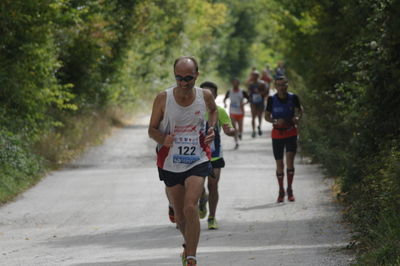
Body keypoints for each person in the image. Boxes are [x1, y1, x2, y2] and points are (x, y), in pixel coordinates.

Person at [148, 56, 217, 266]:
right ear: (174, 75)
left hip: (197, 158)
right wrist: (163, 139)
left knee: (190, 206)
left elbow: (213, 110)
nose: (184, 82)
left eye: (188, 78)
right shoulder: (163, 98)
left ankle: (191, 258)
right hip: (170, 161)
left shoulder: (204, 95)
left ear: (197, 74)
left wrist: (211, 127)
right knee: (180, 218)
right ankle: (188, 246)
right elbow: (151, 130)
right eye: (179, 78)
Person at [198, 81, 235, 230]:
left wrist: (230, 131)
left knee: (213, 185)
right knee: (197, 186)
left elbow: (230, 129)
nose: (208, 95)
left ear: (215, 95)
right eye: (205, 93)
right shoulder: (193, 111)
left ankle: (212, 217)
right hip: (197, 157)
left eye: (211, 93)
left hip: (215, 155)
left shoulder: (219, 111)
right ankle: (202, 198)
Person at [264, 74, 303, 203]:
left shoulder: (293, 98)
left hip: (291, 132)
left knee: (290, 160)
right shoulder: (271, 99)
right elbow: (267, 116)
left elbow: (300, 110)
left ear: (287, 85)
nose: (282, 87)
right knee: (280, 164)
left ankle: (290, 189)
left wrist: (297, 118)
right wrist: (275, 121)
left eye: (284, 84)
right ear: (275, 86)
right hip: (277, 134)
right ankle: (281, 190)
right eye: (279, 85)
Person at [223, 78, 249, 148]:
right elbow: (225, 99)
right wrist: (225, 103)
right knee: (234, 127)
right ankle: (236, 142)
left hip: (240, 112)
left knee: (240, 128)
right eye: (233, 83)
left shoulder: (242, 91)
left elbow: (249, 99)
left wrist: (243, 104)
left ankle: (240, 133)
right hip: (232, 112)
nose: (235, 84)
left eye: (236, 83)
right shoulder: (229, 91)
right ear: (232, 83)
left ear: (238, 83)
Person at [248, 70, 268, 138]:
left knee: (259, 115)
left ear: (258, 76)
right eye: (253, 75)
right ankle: (253, 131)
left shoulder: (262, 83)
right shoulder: (250, 84)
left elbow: (266, 92)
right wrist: (250, 97)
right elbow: (249, 93)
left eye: (256, 75)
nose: (254, 77)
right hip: (253, 102)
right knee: (253, 116)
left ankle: (259, 126)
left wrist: (260, 93)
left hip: (260, 101)